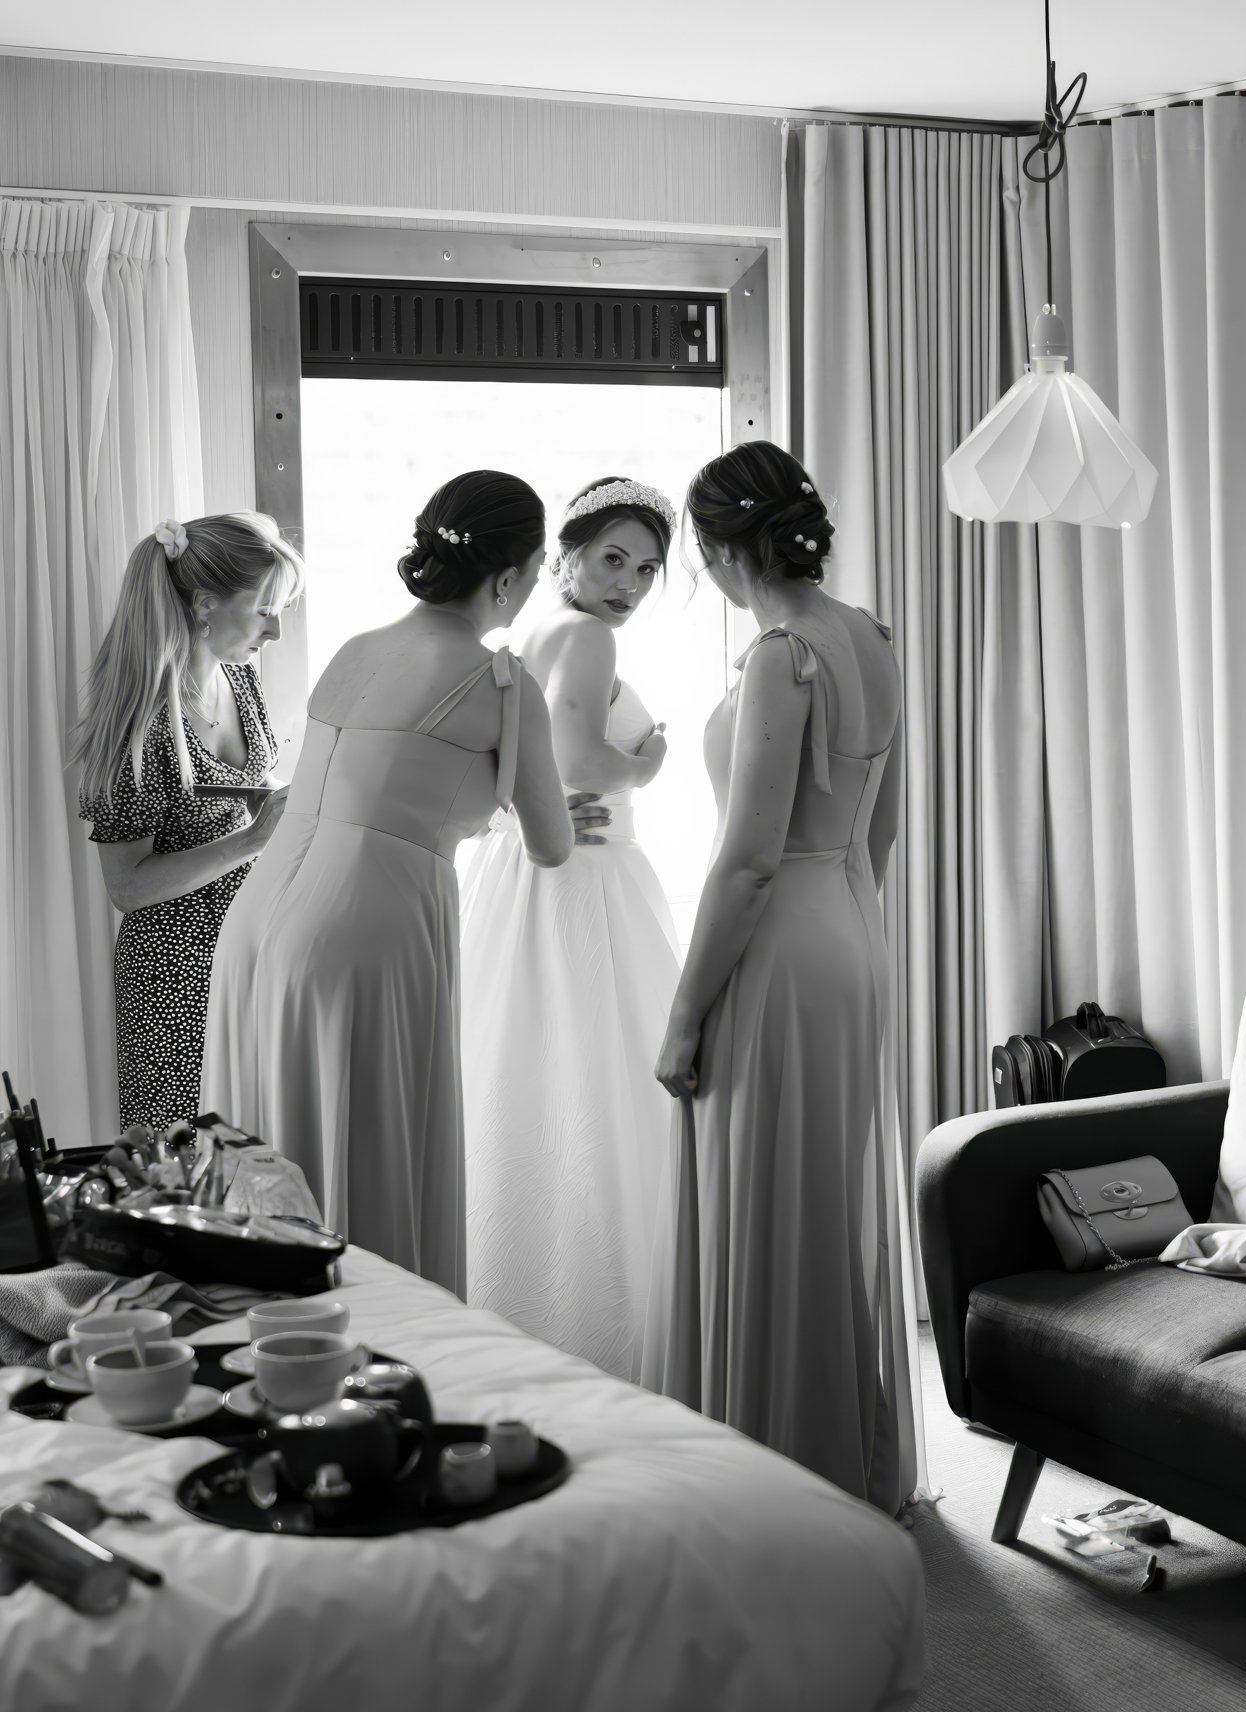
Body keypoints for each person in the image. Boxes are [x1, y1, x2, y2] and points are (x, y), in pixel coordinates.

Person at [204, 471, 589, 1293]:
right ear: (511, 576)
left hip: (258, 918)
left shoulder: (354, 649)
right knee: (365, 1157)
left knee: (270, 1155)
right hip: (365, 927)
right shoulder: (502, 684)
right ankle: (377, 1350)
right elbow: (553, 842)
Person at [650, 440, 919, 1511]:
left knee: (767, 1201)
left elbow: (749, 860)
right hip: (853, 931)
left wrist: (683, 1014)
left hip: (783, 946)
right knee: (817, 1202)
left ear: (719, 550)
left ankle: (770, 1475)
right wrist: (851, 924)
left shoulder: (779, 654)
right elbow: (883, 835)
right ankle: (828, 1451)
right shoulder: (873, 637)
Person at [461, 476, 680, 1383]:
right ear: (569, 554)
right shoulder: (586, 634)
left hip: (520, 873)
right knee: (605, 1091)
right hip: (584, 877)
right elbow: (581, 759)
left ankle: (516, 1305)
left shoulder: (528, 630)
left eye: (647, 568)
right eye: (612, 558)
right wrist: (653, 759)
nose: (627, 582)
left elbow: (522, 761)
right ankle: (606, 1324)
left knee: (530, 1080)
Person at [71, 514, 303, 1131]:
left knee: (254, 1158)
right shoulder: (139, 724)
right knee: (185, 1177)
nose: (277, 631)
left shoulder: (240, 681)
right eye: (264, 611)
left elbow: (253, 790)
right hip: (174, 979)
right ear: (205, 603)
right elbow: (127, 886)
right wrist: (253, 839)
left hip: (247, 957)